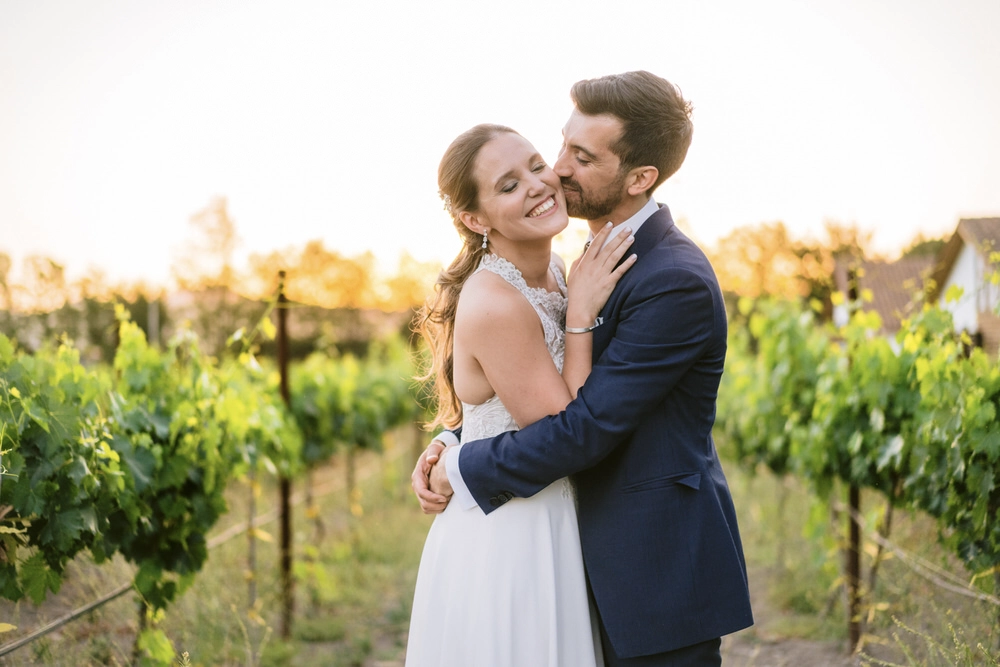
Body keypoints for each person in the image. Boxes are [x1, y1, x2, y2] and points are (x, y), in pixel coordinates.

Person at [413, 71, 754, 666]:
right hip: (562, 553)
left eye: (581, 156)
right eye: (561, 146)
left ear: (639, 178)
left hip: (654, 571)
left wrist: (463, 466)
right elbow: (522, 385)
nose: (558, 171)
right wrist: (461, 431)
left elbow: (581, 428)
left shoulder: (671, 279)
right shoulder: (585, 264)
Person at [404, 123, 637, 666]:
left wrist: (449, 441)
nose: (536, 184)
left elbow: (499, 407)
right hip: (509, 533)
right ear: (474, 219)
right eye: (508, 185)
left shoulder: (554, 271)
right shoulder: (496, 301)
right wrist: (579, 317)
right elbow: (569, 427)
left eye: (535, 165)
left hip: (552, 517)